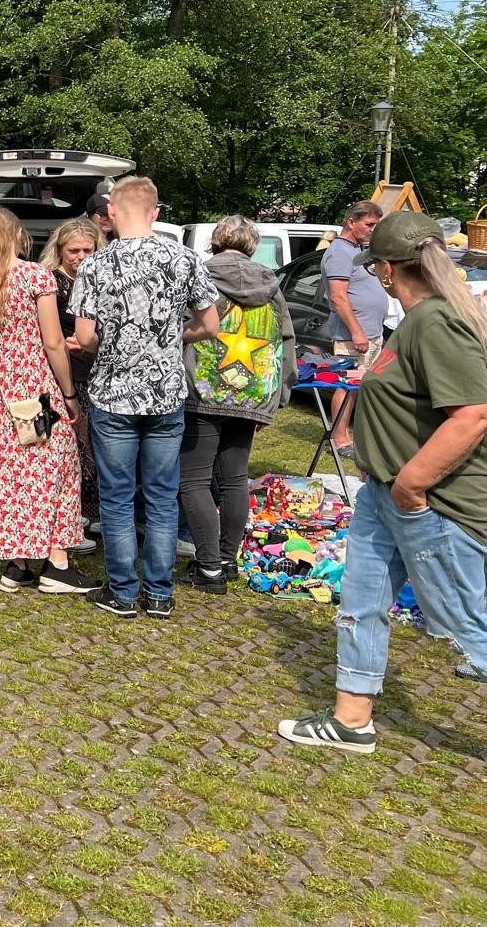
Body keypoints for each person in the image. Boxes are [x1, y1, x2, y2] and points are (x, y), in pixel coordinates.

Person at [279, 212, 487, 753]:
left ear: (389, 270)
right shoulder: (416, 322)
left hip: (433, 504)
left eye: (375, 269)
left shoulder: (437, 322)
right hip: (384, 495)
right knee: (361, 604)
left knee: (469, 626)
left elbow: (473, 415)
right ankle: (352, 720)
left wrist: (411, 486)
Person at [69, 177, 219, 619]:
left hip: (113, 396)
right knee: (161, 495)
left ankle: (122, 592)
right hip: (165, 394)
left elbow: (84, 336)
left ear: (112, 213)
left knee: (116, 498)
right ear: (155, 213)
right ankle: (159, 594)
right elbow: (210, 325)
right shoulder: (185, 258)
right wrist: (172, 339)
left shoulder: (95, 265)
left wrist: (113, 346)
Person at [0, 208, 93, 593]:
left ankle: (17, 563)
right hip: (32, 387)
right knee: (52, 467)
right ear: (18, 235)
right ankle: (57, 563)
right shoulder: (35, 277)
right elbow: (53, 342)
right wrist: (68, 394)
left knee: (8, 474)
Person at [178, 216, 296, 594]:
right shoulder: (271, 284)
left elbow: (180, 328)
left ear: (215, 241)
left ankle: (209, 568)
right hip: (252, 390)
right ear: (252, 246)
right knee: (234, 478)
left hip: (202, 390)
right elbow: (286, 340)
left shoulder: (200, 275)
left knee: (193, 479)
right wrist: (279, 396)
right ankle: (227, 560)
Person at [41, 217, 105, 552]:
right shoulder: (51, 282)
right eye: (73, 250)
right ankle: (70, 519)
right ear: (60, 250)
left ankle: (91, 513)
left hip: (98, 372)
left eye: (87, 250)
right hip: (63, 374)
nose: (80, 257)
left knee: (95, 449)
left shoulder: (102, 279)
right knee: (71, 449)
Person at [322, 200, 385, 455]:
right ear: (351, 222)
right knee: (347, 385)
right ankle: (339, 440)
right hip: (353, 335)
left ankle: (352, 435)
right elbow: (338, 296)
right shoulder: (339, 252)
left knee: (358, 386)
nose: (373, 229)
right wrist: (357, 331)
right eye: (369, 224)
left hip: (371, 332)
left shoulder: (357, 250)